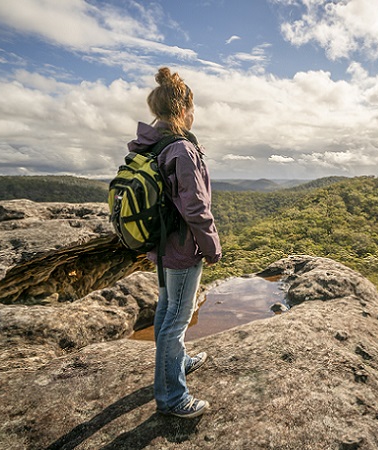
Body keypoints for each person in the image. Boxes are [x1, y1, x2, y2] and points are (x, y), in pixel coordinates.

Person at [127, 67, 222, 418]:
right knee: (175, 320)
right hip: (182, 250)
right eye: (192, 109)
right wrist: (211, 247)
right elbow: (195, 208)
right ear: (183, 111)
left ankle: (178, 361)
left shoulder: (154, 145)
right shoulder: (182, 149)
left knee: (167, 310)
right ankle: (172, 398)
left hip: (162, 247)